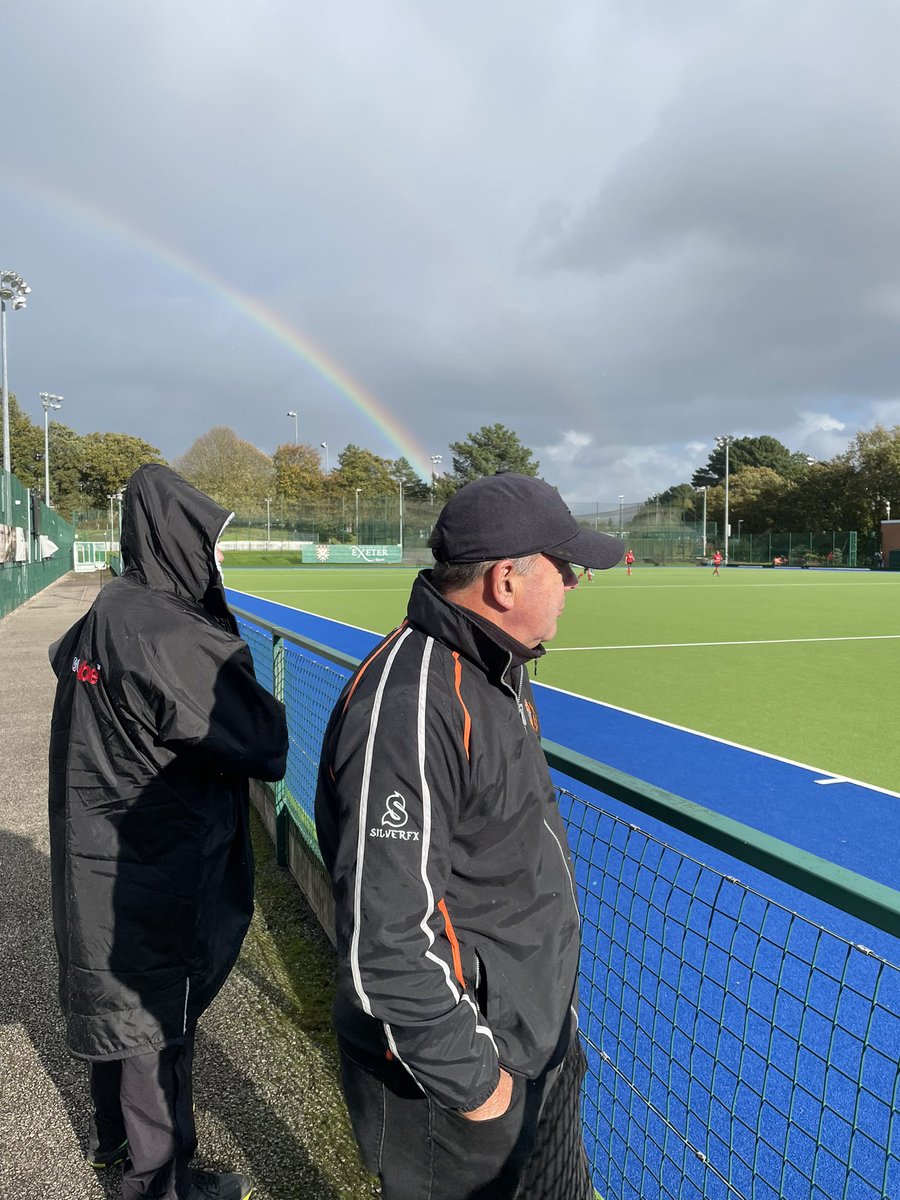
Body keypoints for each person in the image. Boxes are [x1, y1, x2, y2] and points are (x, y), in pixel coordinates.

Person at [315, 472, 624, 1200]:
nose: (575, 585)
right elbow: (386, 934)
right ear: (507, 580)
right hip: (460, 1087)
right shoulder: (411, 705)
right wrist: (477, 1085)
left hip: (534, 1039)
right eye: (566, 568)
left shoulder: (495, 673)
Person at [48, 464, 288, 1200]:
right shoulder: (168, 630)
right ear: (180, 539)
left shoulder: (109, 609)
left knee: (119, 1006)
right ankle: (161, 1186)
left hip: (100, 849)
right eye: (212, 543)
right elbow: (262, 743)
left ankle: (117, 1149)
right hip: (152, 864)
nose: (218, 559)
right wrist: (219, 620)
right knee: (155, 1022)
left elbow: (62, 659)